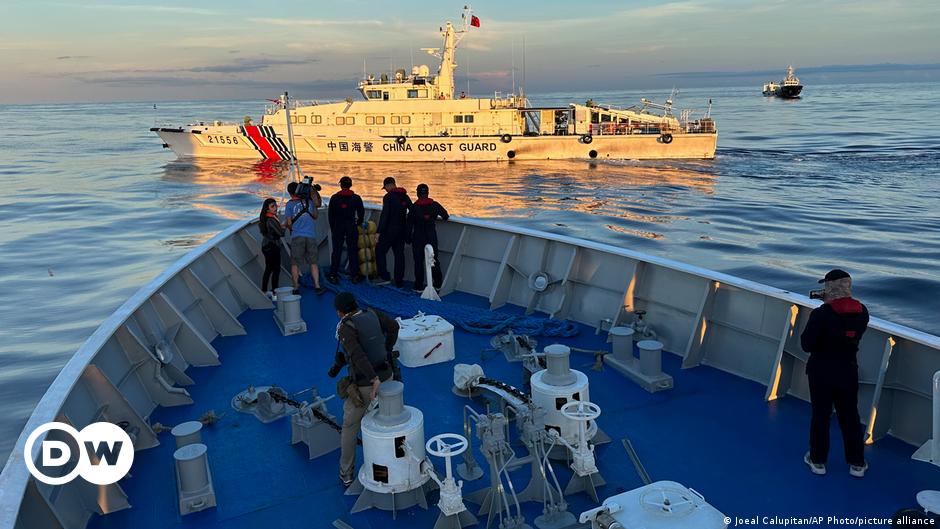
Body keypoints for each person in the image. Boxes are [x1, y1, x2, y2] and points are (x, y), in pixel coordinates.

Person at [800, 269, 870, 478]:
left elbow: (806, 344)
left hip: (821, 371)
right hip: (848, 371)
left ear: (829, 287)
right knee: (849, 416)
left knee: (821, 415)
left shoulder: (821, 314)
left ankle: (817, 460)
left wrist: (825, 306)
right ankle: (857, 463)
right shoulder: (862, 312)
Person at [327, 292, 400, 486]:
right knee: (386, 421)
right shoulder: (372, 313)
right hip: (388, 377)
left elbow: (357, 356)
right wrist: (386, 350)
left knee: (350, 427)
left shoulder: (346, 328)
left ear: (339, 312)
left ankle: (346, 473)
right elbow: (394, 326)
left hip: (367, 385)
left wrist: (373, 379)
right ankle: (393, 464)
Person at [406, 183, 449, 292]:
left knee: (419, 261)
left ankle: (419, 286)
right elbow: (445, 216)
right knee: (434, 260)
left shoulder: (414, 207)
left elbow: (409, 224)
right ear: (428, 192)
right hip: (431, 236)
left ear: (417, 194)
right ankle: (438, 284)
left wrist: (408, 238)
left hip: (418, 237)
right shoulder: (435, 205)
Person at [285, 181, 325, 295]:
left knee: (295, 264)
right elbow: (315, 216)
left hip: (297, 236)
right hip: (311, 236)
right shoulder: (309, 201)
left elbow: (289, 222)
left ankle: (296, 287)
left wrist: (291, 229)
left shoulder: (289, 204)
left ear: (290, 193)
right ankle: (317, 286)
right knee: (313, 263)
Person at [327, 176, 365, 284]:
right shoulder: (356, 198)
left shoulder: (334, 198)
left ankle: (333, 274)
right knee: (353, 250)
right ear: (351, 185)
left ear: (340, 185)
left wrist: (333, 228)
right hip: (351, 225)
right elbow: (361, 213)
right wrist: (358, 223)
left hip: (338, 226)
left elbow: (331, 215)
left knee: (337, 251)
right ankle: (355, 275)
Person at [375, 177, 412, 288]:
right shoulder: (405, 196)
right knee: (399, 255)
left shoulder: (388, 197)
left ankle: (384, 277)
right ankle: (399, 281)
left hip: (389, 231)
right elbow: (412, 210)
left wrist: (378, 232)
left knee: (380, 251)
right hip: (402, 230)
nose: (385, 190)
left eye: (385, 187)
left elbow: (385, 215)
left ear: (389, 185)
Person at [258, 198, 285, 299]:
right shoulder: (271, 220)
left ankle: (264, 290)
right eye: (272, 206)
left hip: (266, 246)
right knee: (276, 269)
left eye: (275, 205)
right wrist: (285, 226)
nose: (275, 208)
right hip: (272, 247)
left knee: (269, 269)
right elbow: (281, 233)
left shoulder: (265, 219)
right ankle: (275, 293)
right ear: (267, 209)